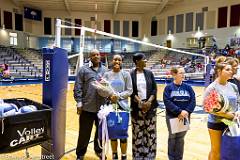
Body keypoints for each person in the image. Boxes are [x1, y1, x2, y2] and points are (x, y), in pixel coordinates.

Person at [203, 56, 240, 160]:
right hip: (216, 123)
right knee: (216, 150)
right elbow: (207, 108)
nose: (231, 71)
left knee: (228, 149)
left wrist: (238, 112)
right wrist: (226, 115)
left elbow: (238, 102)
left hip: (230, 122)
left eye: (231, 70)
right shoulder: (212, 87)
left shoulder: (233, 86)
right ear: (219, 71)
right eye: (227, 70)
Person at [73, 49, 107, 160]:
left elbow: (109, 88)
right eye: (93, 55)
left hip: (102, 109)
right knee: (84, 133)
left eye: (97, 54)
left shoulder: (105, 70)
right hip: (87, 107)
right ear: (90, 57)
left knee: (100, 133)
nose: (96, 56)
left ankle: (99, 151)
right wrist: (79, 102)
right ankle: (80, 154)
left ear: (100, 56)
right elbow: (77, 87)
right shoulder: (83, 70)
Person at [103, 54, 133, 160]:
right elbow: (103, 89)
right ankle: (114, 154)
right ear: (112, 61)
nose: (117, 61)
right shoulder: (106, 75)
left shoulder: (126, 74)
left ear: (121, 62)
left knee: (123, 133)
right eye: (115, 59)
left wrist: (118, 96)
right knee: (113, 133)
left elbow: (130, 90)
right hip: (110, 107)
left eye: (119, 60)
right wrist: (110, 96)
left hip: (123, 108)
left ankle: (124, 155)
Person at [163, 66, 196, 160]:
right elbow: (167, 102)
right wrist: (179, 111)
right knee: (172, 138)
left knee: (181, 138)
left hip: (185, 116)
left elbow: (193, 101)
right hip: (172, 116)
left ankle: (179, 157)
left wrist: (186, 111)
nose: (183, 75)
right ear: (174, 74)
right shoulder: (168, 88)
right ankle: (171, 158)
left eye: (183, 73)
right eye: (181, 73)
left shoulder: (188, 88)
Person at [130, 53, 158, 159]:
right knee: (137, 133)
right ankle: (137, 156)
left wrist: (149, 102)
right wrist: (140, 103)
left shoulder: (149, 73)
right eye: (144, 59)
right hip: (137, 109)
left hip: (150, 107)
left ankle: (150, 156)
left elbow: (154, 89)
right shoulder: (131, 74)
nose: (146, 61)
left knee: (150, 133)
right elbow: (131, 91)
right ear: (137, 61)